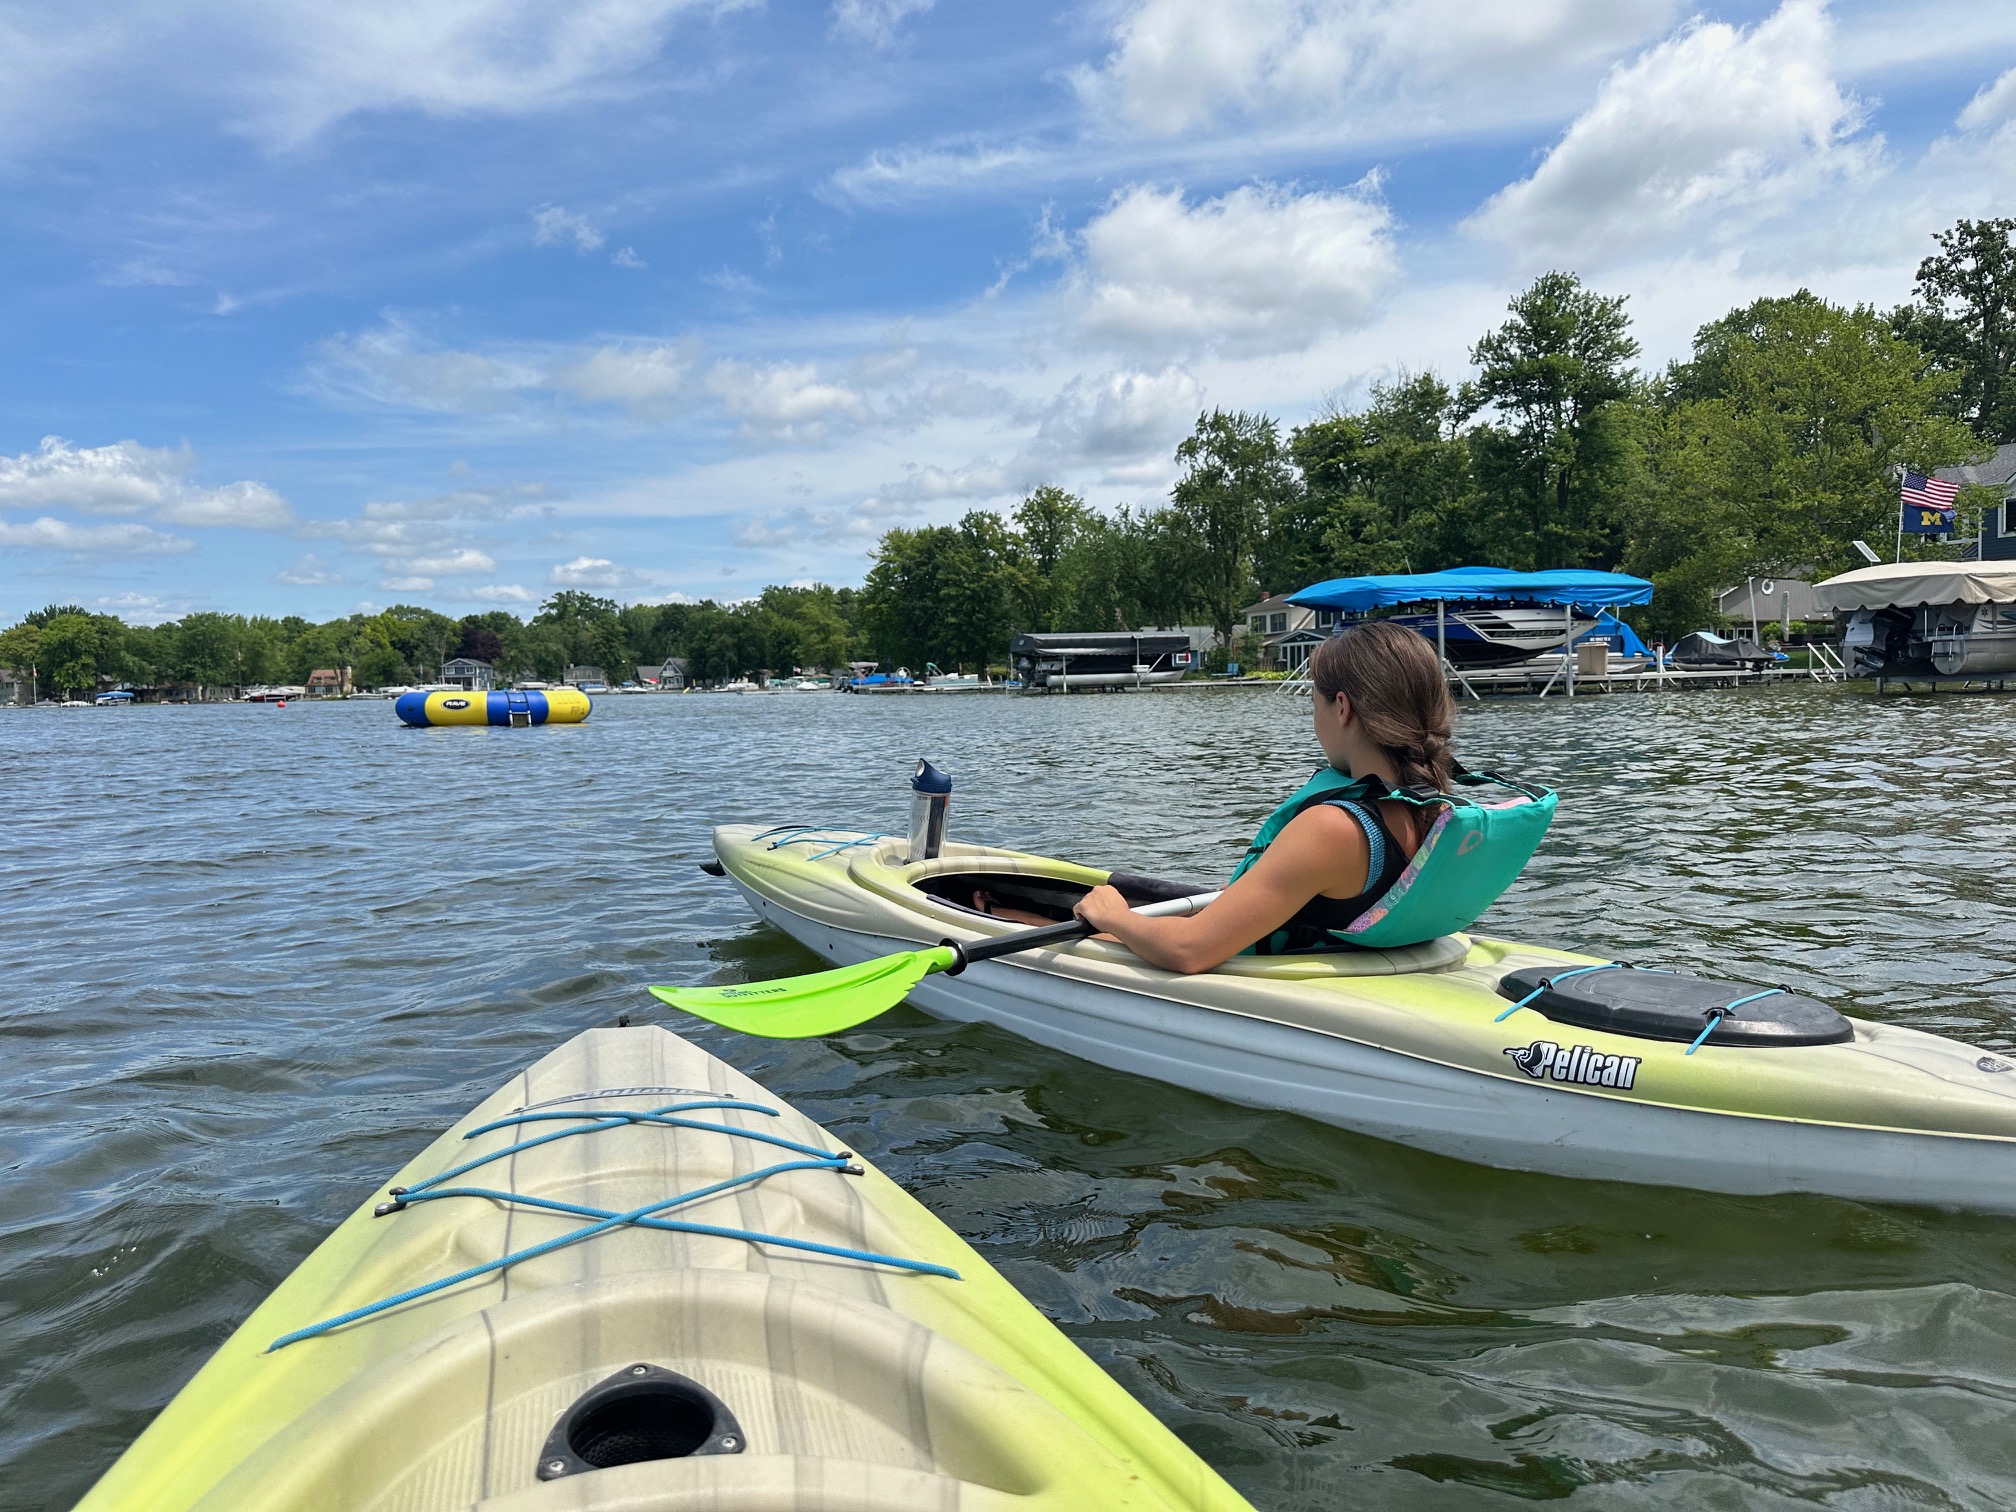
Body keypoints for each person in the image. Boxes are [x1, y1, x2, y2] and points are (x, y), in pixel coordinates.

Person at [1071, 620, 1455, 973]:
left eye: (1313, 702)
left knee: (1061, 921)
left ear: (1342, 708)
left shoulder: (1335, 827)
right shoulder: (1432, 808)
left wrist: (1114, 916)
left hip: (1258, 981)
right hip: (1355, 964)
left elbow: (1189, 951)